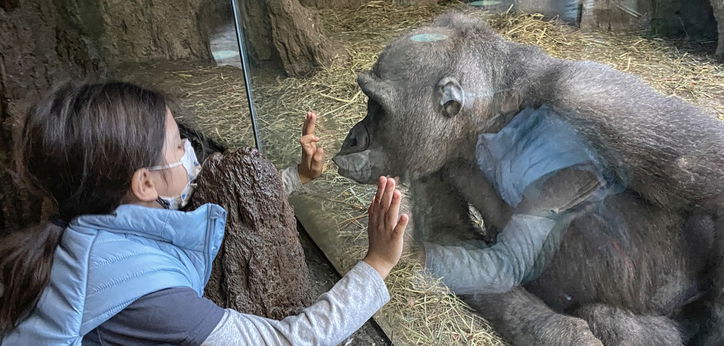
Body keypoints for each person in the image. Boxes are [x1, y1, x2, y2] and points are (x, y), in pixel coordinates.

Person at [0, 82, 409, 345]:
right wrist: (377, 265)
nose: (189, 154)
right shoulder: (149, 296)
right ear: (145, 183)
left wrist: (295, 178)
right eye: (179, 145)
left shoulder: (96, 223)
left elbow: (215, 206)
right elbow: (288, 341)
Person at [416, 105, 625, 295]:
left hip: (493, 132)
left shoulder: (562, 197)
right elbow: (503, 270)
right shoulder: (575, 184)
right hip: (498, 128)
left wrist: (419, 256)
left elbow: (503, 266)